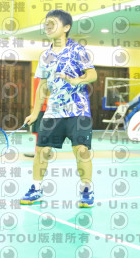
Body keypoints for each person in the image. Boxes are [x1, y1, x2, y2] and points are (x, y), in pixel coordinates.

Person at [20, 10, 98, 207]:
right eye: (46, 24)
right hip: (53, 111)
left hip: (78, 109)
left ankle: (86, 189)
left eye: (53, 23)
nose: (48, 27)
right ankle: (36, 188)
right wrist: (35, 113)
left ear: (66, 27)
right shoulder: (45, 56)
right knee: (41, 150)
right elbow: (42, 86)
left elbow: (92, 74)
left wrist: (77, 80)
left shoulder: (78, 50)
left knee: (81, 150)